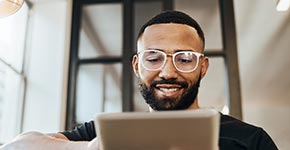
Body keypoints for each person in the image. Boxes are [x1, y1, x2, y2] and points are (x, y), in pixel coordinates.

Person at [0, 10, 278, 150]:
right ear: (137, 65)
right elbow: (18, 147)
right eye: (154, 58)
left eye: (183, 59)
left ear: (203, 66)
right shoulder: (104, 133)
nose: (168, 72)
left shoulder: (251, 140)